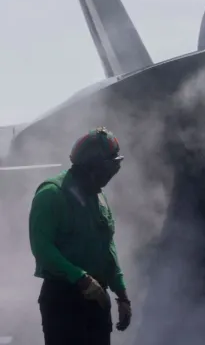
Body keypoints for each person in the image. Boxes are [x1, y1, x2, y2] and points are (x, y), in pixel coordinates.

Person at [29, 127, 133, 345]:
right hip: (63, 301)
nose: (109, 177)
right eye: (106, 170)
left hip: (97, 300)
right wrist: (81, 278)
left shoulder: (98, 197)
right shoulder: (51, 195)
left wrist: (121, 294)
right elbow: (42, 248)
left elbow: (107, 247)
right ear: (91, 167)